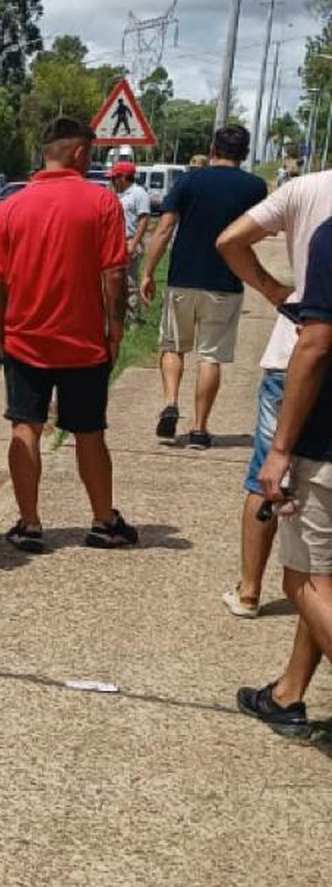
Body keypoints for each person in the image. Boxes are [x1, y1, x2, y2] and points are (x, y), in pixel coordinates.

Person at [0, 116, 138, 552]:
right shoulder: (102, 203)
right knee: (90, 432)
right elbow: (113, 275)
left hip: (25, 340)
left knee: (24, 427)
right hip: (85, 343)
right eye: (91, 152)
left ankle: (29, 524)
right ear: (77, 152)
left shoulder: (9, 208)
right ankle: (104, 521)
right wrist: (116, 330)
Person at [215, 168, 332, 617]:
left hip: (294, 349)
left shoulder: (304, 189)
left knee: (268, 475)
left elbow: (230, 240)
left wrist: (274, 290)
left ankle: (248, 590)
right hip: (312, 350)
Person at [236, 215, 332, 738]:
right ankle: (288, 693)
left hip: (327, 444)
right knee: (326, 575)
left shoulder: (331, 235)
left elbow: (316, 343)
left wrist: (280, 449)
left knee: (303, 578)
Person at [141, 125, 267, 448]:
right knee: (210, 356)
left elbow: (165, 228)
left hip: (182, 278)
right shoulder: (255, 187)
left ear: (213, 149)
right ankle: (199, 429)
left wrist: (148, 272)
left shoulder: (188, 180)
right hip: (225, 282)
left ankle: (170, 402)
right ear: (245, 153)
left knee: (172, 345)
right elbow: (261, 231)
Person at [109, 161, 151, 323]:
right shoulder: (116, 193)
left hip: (129, 241)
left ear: (124, 177)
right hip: (115, 242)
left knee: (130, 282)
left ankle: (133, 318)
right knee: (116, 282)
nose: (112, 181)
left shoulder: (138, 193)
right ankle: (119, 317)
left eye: (115, 178)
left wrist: (134, 243)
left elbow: (144, 219)